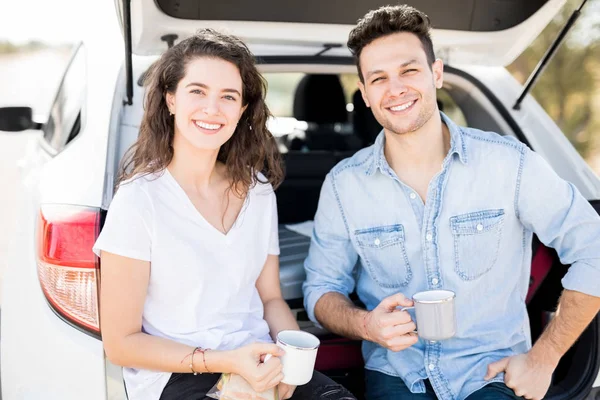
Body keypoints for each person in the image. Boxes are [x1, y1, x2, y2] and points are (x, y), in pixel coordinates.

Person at [302, 5, 600, 400]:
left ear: (436, 74)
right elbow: (321, 288)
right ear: (366, 96)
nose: (395, 89)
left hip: (492, 375)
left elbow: (594, 248)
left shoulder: (510, 164)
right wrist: (365, 325)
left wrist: (544, 359)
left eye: (409, 71)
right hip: (396, 376)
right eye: (378, 79)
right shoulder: (344, 185)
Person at [94, 29, 355, 400]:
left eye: (228, 96)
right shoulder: (139, 200)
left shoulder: (258, 190)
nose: (212, 109)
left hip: (259, 357)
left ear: (243, 109)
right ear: (170, 99)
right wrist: (228, 361)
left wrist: (290, 360)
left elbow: (270, 300)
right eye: (197, 91)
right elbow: (121, 344)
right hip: (177, 373)